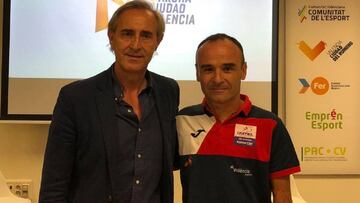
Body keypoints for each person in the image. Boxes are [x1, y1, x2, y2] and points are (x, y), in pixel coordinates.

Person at [39, 1, 179, 202]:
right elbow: (54, 185)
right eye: (127, 33)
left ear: (158, 41)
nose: (136, 45)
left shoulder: (168, 91)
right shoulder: (76, 98)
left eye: (146, 35)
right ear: (111, 37)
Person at [176, 33, 300, 203]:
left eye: (227, 68)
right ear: (197, 73)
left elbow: (282, 195)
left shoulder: (270, 125)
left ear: (243, 70)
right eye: (208, 69)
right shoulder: (182, 120)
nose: (218, 79)